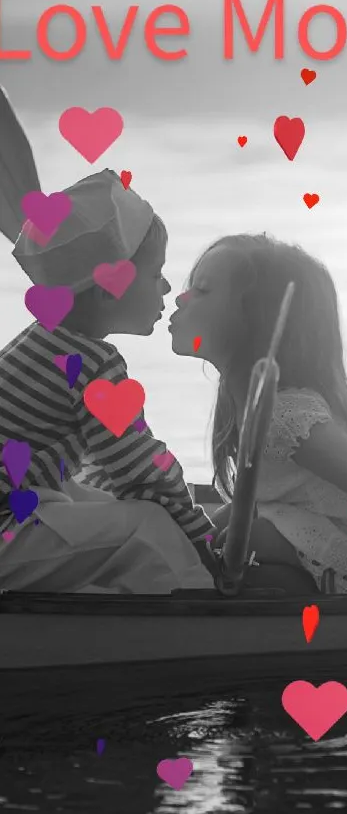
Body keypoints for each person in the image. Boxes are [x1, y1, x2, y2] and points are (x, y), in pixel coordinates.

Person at [0, 168, 217, 594]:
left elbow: (105, 465)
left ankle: (109, 603)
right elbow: (141, 467)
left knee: (99, 498)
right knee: (148, 526)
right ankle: (205, 601)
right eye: (155, 273)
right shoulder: (92, 364)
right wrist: (202, 536)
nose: (168, 286)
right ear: (107, 289)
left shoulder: (40, 341)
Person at [169, 233, 347, 594]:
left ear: (256, 319)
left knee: (241, 541)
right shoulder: (245, 400)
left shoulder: (285, 417)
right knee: (217, 530)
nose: (181, 298)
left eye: (202, 290)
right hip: (329, 524)